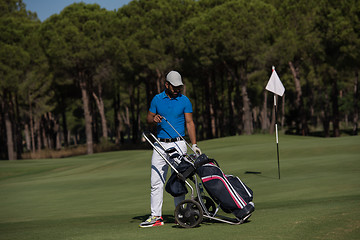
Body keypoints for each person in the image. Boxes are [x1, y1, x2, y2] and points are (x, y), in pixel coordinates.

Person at [139, 70, 201, 228]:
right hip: (160, 144)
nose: (177, 89)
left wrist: (194, 144)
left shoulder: (185, 100)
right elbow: (148, 118)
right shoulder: (157, 99)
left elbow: (189, 123)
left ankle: (180, 214)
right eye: (174, 87)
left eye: (179, 86)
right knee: (156, 181)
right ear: (166, 84)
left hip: (179, 144)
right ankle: (156, 217)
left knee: (179, 180)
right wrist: (154, 119)